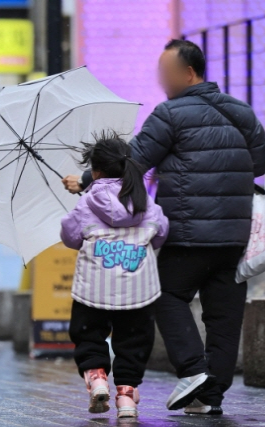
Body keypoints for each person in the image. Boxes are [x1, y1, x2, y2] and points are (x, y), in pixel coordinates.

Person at [62, 39, 265, 415]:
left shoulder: (170, 114)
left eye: (166, 72)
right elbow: (259, 164)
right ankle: (210, 397)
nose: (161, 79)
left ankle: (193, 371)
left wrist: (85, 179)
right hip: (234, 235)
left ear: (189, 73)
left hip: (187, 233)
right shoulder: (243, 113)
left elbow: (132, 161)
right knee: (224, 316)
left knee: (165, 297)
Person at [61, 132, 169, 419]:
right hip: (139, 288)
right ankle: (126, 399)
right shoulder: (145, 201)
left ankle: (96, 377)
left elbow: (70, 237)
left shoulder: (87, 203)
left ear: (94, 171)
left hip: (94, 286)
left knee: (88, 333)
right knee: (133, 341)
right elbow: (160, 234)